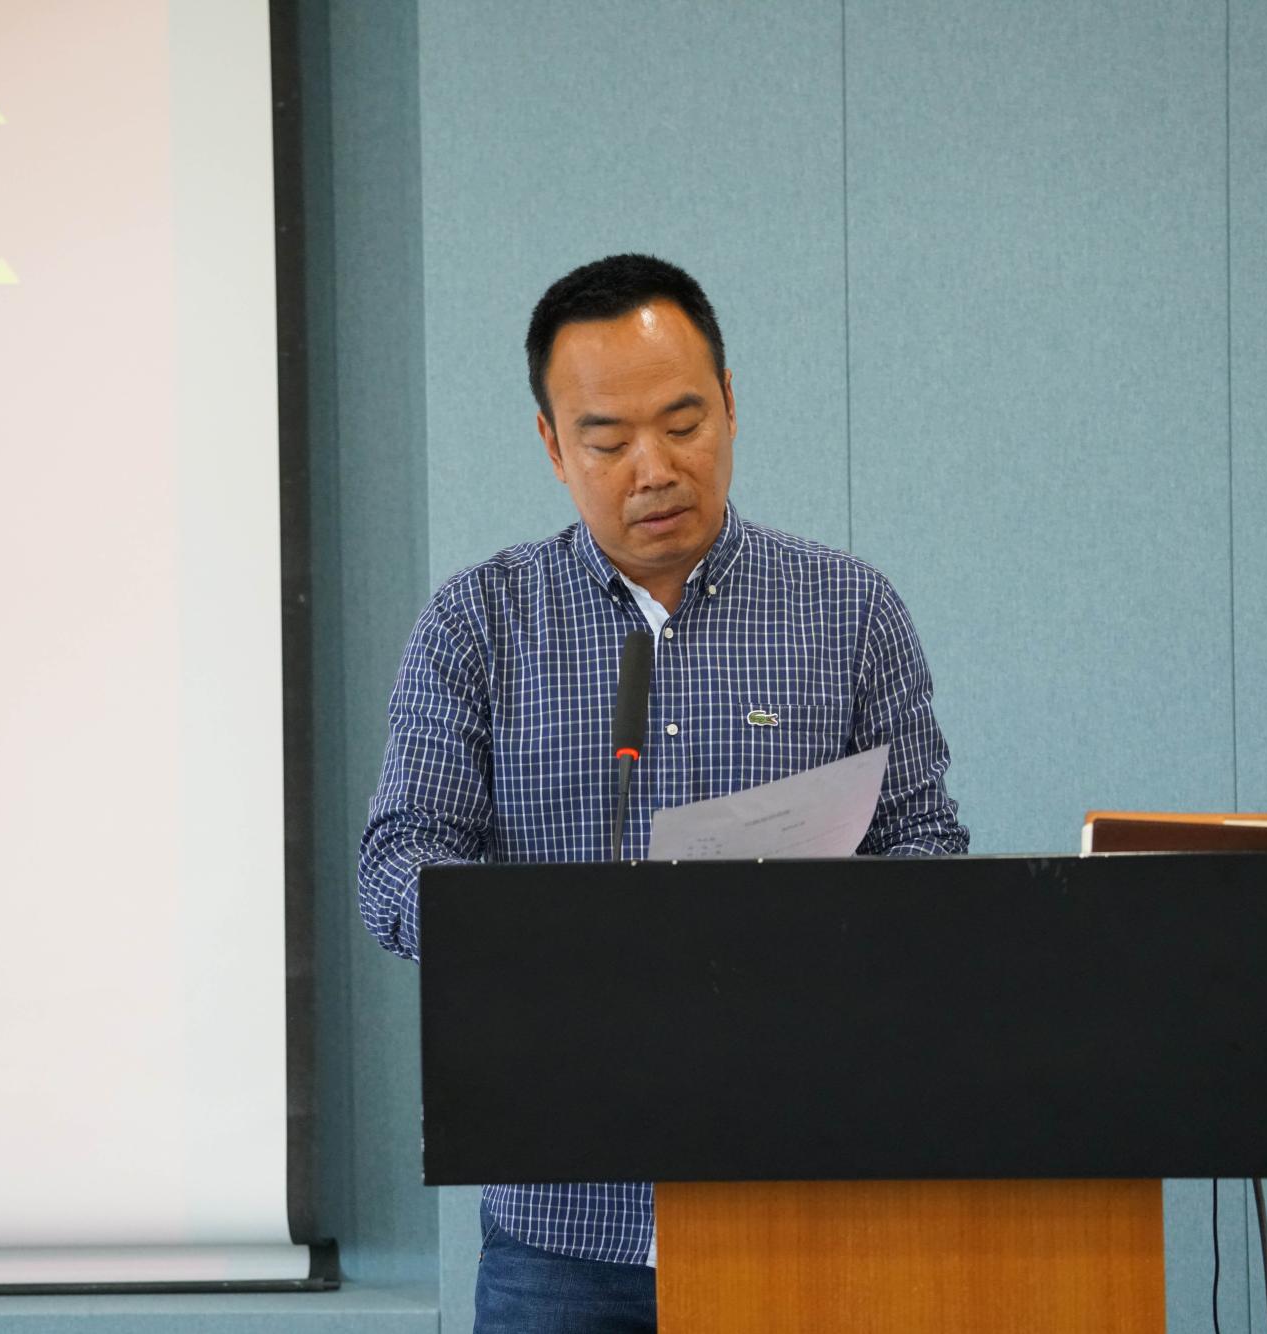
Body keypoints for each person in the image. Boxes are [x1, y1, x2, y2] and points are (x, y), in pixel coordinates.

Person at [357, 253, 969, 1334]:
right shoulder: (477, 623)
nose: (654, 468)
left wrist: (827, 928)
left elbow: (927, 844)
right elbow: (395, 862)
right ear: (553, 446)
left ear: (729, 404)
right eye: (607, 441)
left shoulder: (847, 610)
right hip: (563, 1220)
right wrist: (547, 934)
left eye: (683, 424)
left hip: (798, 1189)